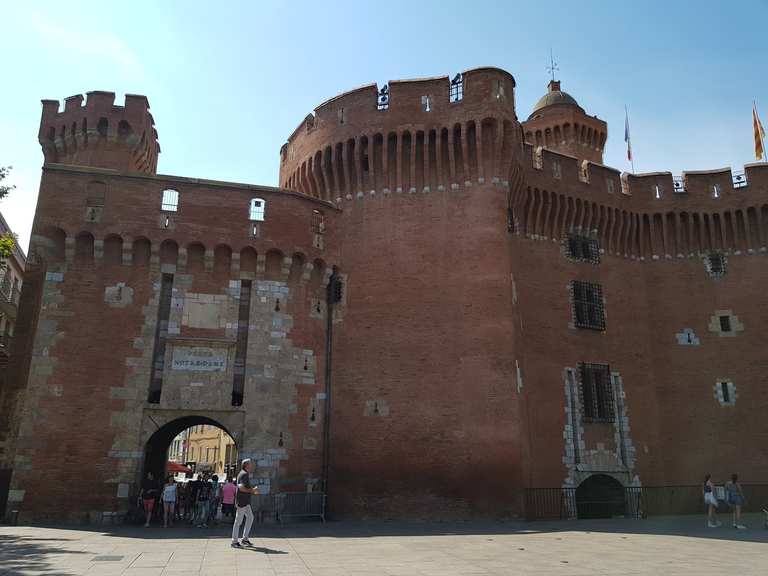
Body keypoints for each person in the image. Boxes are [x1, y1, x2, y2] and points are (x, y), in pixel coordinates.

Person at [231, 459, 259, 548]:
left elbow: (242, 488)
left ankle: (245, 539)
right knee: (238, 521)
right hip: (242, 502)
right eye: (250, 464)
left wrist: (252, 490)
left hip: (245, 502)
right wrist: (252, 490)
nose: (251, 466)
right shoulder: (244, 474)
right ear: (246, 465)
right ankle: (234, 541)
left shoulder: (243, 473)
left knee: (250, 517)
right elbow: (241, 488)